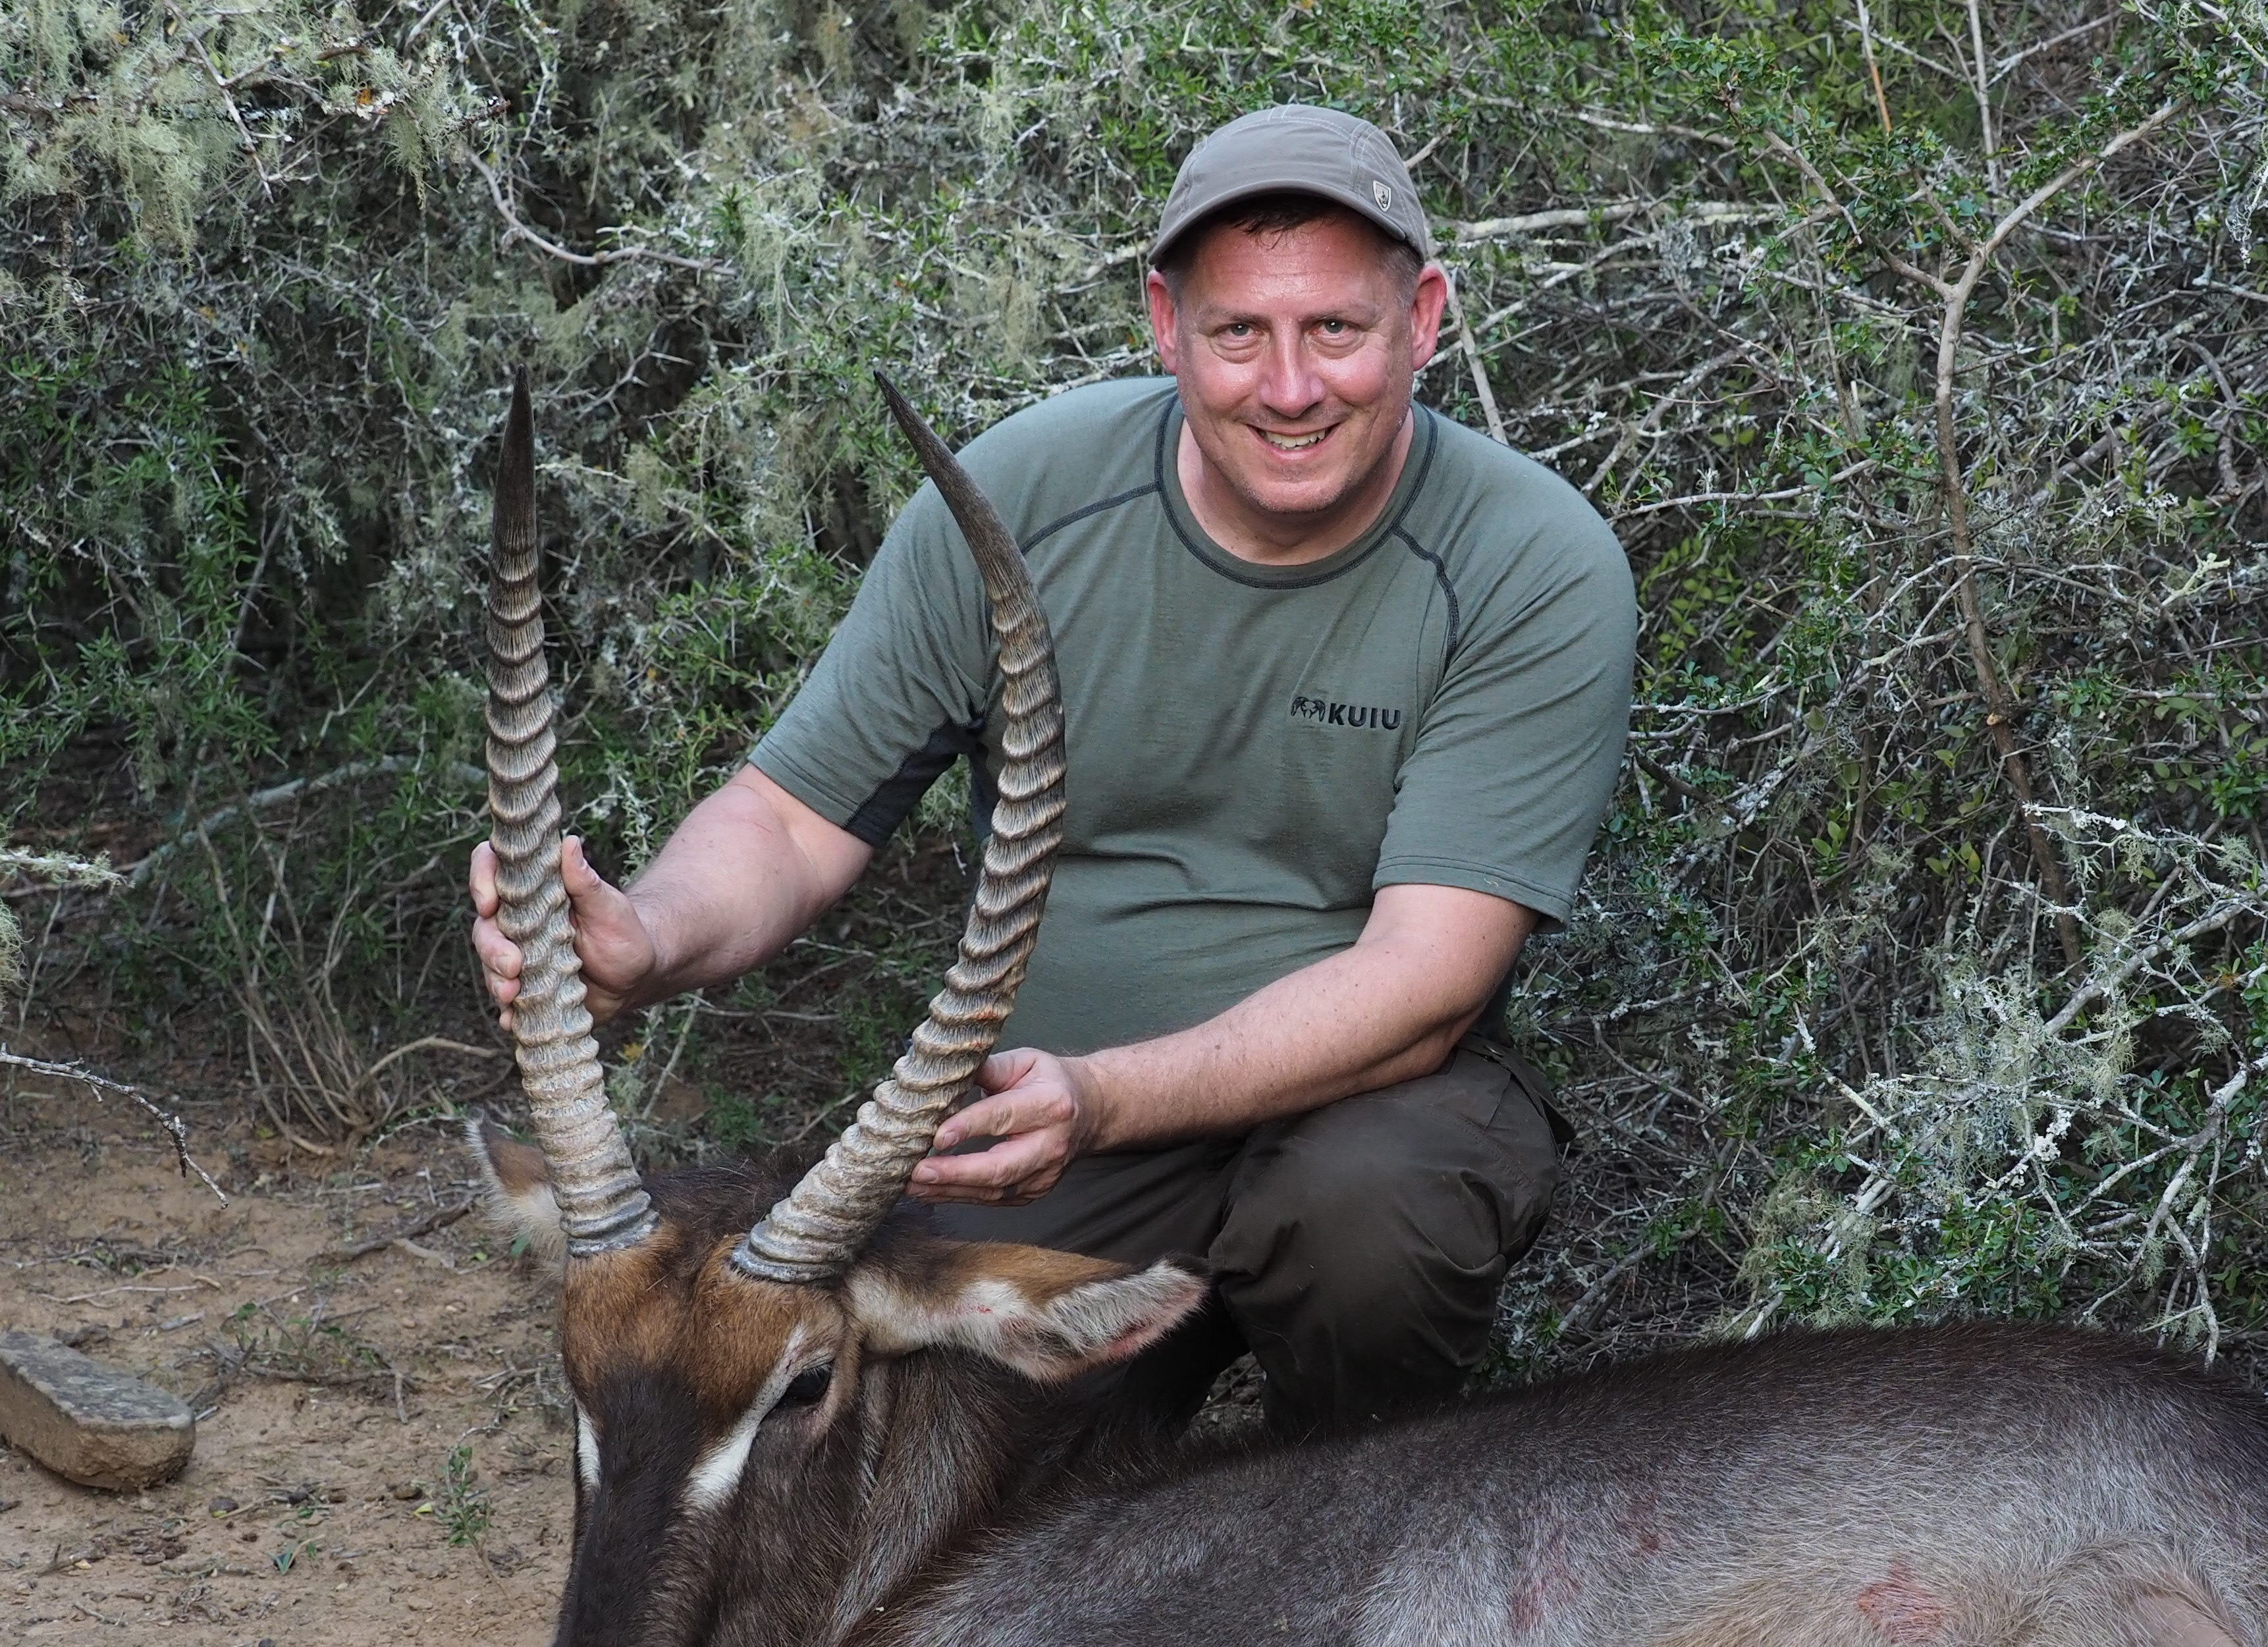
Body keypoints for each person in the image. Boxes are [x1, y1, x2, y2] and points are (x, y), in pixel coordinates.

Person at [471, 104, 1634, 1437]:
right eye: (1239, 332)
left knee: (1370, 1222)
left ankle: (1348, 1518)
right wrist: (649, 936)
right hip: (1048, 1124)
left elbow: (1425, 986)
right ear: (1164, 324)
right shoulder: (1022, 495)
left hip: (1362, 1109)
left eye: (1338, 330)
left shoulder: (1533, 563)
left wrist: (1108, 1097)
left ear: (1424, 319)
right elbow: (792, 823)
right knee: (908, 1440)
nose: (1293, 386)